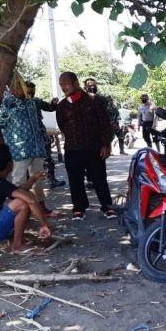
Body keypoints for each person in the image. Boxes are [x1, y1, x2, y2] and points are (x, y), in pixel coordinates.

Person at [56, 71, 117, 221]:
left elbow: (104, 124)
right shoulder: (62, 106)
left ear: (76, 83)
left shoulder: (94, 101)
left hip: (93, 148)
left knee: (99, 178)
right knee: (75, 180)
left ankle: (107, 207)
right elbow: (62, 126)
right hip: (72, 148)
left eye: (66, 84)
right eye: (61, 85)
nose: (63, 87)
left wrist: (106, 144)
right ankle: (79, 208)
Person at [0, 74, 53, 214]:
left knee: (39, 179)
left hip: (37, 148)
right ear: (12, 88)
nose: (22, 89)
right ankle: (20, 211)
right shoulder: (7, 104)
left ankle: (41, 206)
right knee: (18, 181)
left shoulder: (31, 102)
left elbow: (39, 120)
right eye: (19, 87)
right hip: (19, 150)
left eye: (23, 87)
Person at [0, 144, 52, 252]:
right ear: (9, 164)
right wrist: (44, 224)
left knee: (21, 197)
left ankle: (16, 238)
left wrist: (32, 180)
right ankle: (17, 245)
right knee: (21, 203)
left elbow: (18, 190)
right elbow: (30, 200)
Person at [26, 81, 66, 189]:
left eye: (33, 92)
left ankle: (52, 180)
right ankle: (27, 184)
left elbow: (49, 107)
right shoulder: (18, 103)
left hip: (40, 132)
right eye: (29, 92)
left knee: (47, 156)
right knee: (26, 160)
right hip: (27, 136)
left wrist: (53, 103)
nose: (31, 94)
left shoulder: (36, 101)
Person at [84, 78, 124, 155]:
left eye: (94, 85)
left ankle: (120, 150)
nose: (92, 87)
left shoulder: (102, 99)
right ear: (85, 87)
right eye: (89, 86)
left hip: (99, 135)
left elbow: (110, 114)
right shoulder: (81, 100)